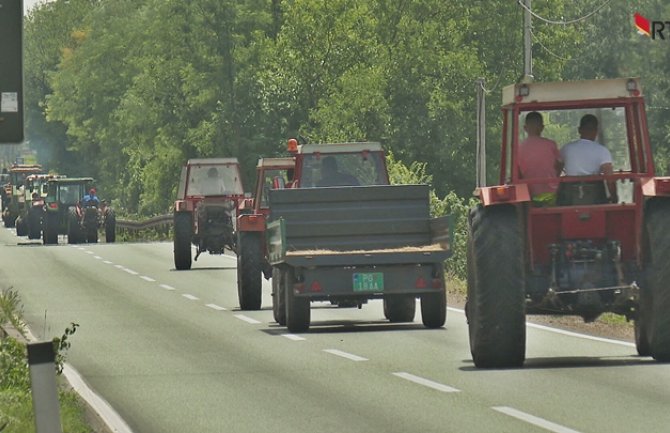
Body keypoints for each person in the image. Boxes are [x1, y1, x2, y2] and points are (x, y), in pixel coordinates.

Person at [560, 114, 617, 203]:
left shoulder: (566, 148)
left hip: (569, 198)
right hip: (596, 198)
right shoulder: (602, 151)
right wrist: (614, 198)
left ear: (579, 130)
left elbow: (556, 171)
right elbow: (610, 179)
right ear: (596, 131)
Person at [518, 111, 563, 202]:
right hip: (551, 192)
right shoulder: (551, 145)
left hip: (528, 194)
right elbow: (559, 165)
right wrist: (554, 177)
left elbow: (517, 171)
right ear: (542, 128)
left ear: (525, 128)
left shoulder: (519, 148)